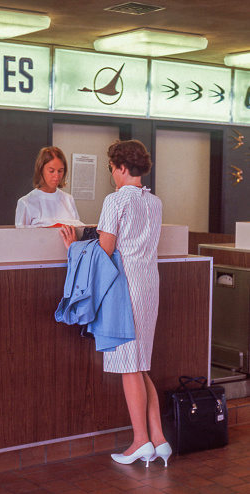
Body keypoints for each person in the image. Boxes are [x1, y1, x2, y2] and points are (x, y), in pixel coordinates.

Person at [60, 140, 171, 467]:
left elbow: (105, 248)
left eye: (111, 167)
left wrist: (73, 249)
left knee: (128, 365)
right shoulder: (155, 202)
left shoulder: (115, 200)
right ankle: (158, 438)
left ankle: (140, 442)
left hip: (124, 286)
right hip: (149, 284)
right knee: (139, 364)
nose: (112, 173)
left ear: (122, 167)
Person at [15, 146, 83, 227]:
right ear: (41, 170)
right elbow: (20, 237)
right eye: (51, 171)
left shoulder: (68, 199)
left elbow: (78, 232)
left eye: (60, 171)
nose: (57, 176)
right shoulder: (25, 203)